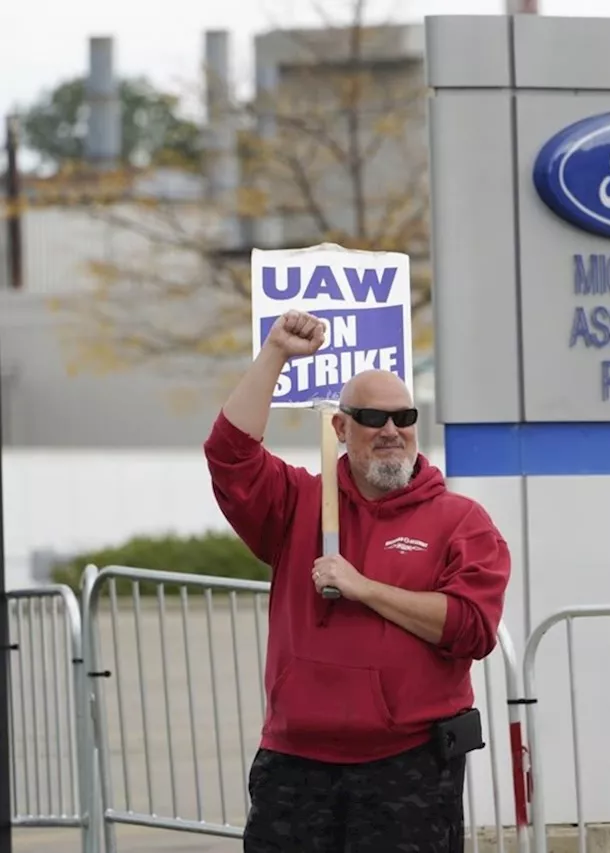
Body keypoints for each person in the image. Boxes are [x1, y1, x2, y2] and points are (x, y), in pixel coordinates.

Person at [203, 309, 512, 853]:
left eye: (404, 416)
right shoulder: (298, 502)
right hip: (295, 764)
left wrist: (364, 588)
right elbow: (230, 455)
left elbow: (471, 628)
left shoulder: (461, 520)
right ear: (341, 429)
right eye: (373, 417)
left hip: (408, 766)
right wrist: (275, 351)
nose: (392, 431)